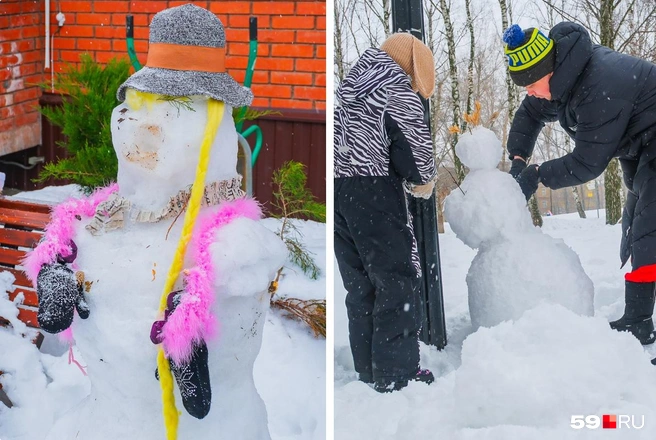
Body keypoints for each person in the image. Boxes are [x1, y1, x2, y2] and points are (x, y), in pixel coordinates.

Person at [503, 22, 656, 352]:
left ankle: (639, 321)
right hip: (642, 145)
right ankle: (640, 321)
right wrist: (517, 159)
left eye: (531, 83)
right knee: (640, 228)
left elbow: (588, 162)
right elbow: (530, 112)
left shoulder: (598, 84)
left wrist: (537, 174)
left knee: (650, 228)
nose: (530, 91)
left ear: (547, 71)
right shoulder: (561, 77)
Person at [334, 32, 438, 392]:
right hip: (375, 192)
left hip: (339, 191)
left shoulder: (352, 86)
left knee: (360, 285)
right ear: (410, 70)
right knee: (397, 282)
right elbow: (415, 149)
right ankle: (396, 374)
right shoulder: (394, 88)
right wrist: (423, 180)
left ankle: (368, 368)